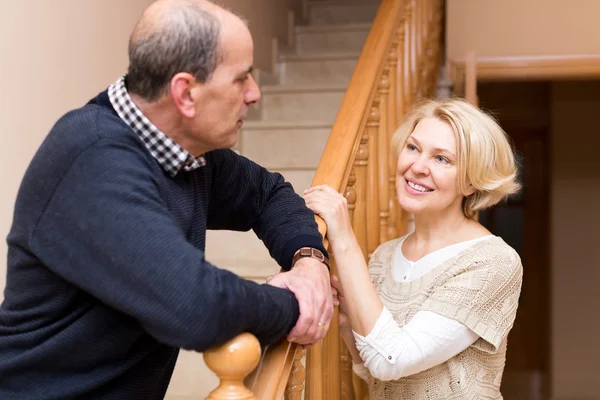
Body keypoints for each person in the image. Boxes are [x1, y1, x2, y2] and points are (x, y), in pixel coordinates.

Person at [0, 1, 333, 398]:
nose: (254, 93)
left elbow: (268, 193)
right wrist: (296, 304)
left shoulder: (186, 152)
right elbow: (197, 306)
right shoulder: (91, 159)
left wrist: (309, 262)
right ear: (185, 93)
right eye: (241, 78)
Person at [304, 98, 523, 399]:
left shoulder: (491, 262)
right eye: (413, 148)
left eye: (441, 159)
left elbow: (391, 360)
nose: (417, 167)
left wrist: (343, 238)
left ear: (471, 182)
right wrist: (346, 325)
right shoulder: (384, 256)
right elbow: (377, 374)